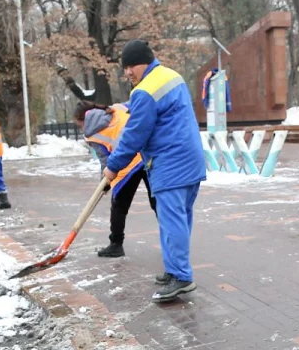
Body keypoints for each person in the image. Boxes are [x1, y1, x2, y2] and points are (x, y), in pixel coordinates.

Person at [102, 40, 206, 303]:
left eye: (130, 66)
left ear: (143, 62)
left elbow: (134, 135)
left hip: (169, 163)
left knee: (171, 222)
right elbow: (156, 107)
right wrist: (128, 105)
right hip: (189, 159)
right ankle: (174, 270)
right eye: (124, 67)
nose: (127, 72)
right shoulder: (170, 76)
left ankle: (181, 277)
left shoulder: (145, 90)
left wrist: (113, 166)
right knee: (177, 219)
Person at [75, 99, 156, 258]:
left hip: (125, 164)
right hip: (146, 155)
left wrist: (105, 183)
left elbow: (105, 159)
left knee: (119, 205)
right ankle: (172, 240)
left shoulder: (92, 133)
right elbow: (136, 103)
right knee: (158, 201)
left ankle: (116, 245)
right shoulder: (117, 108)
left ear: (81, 120)